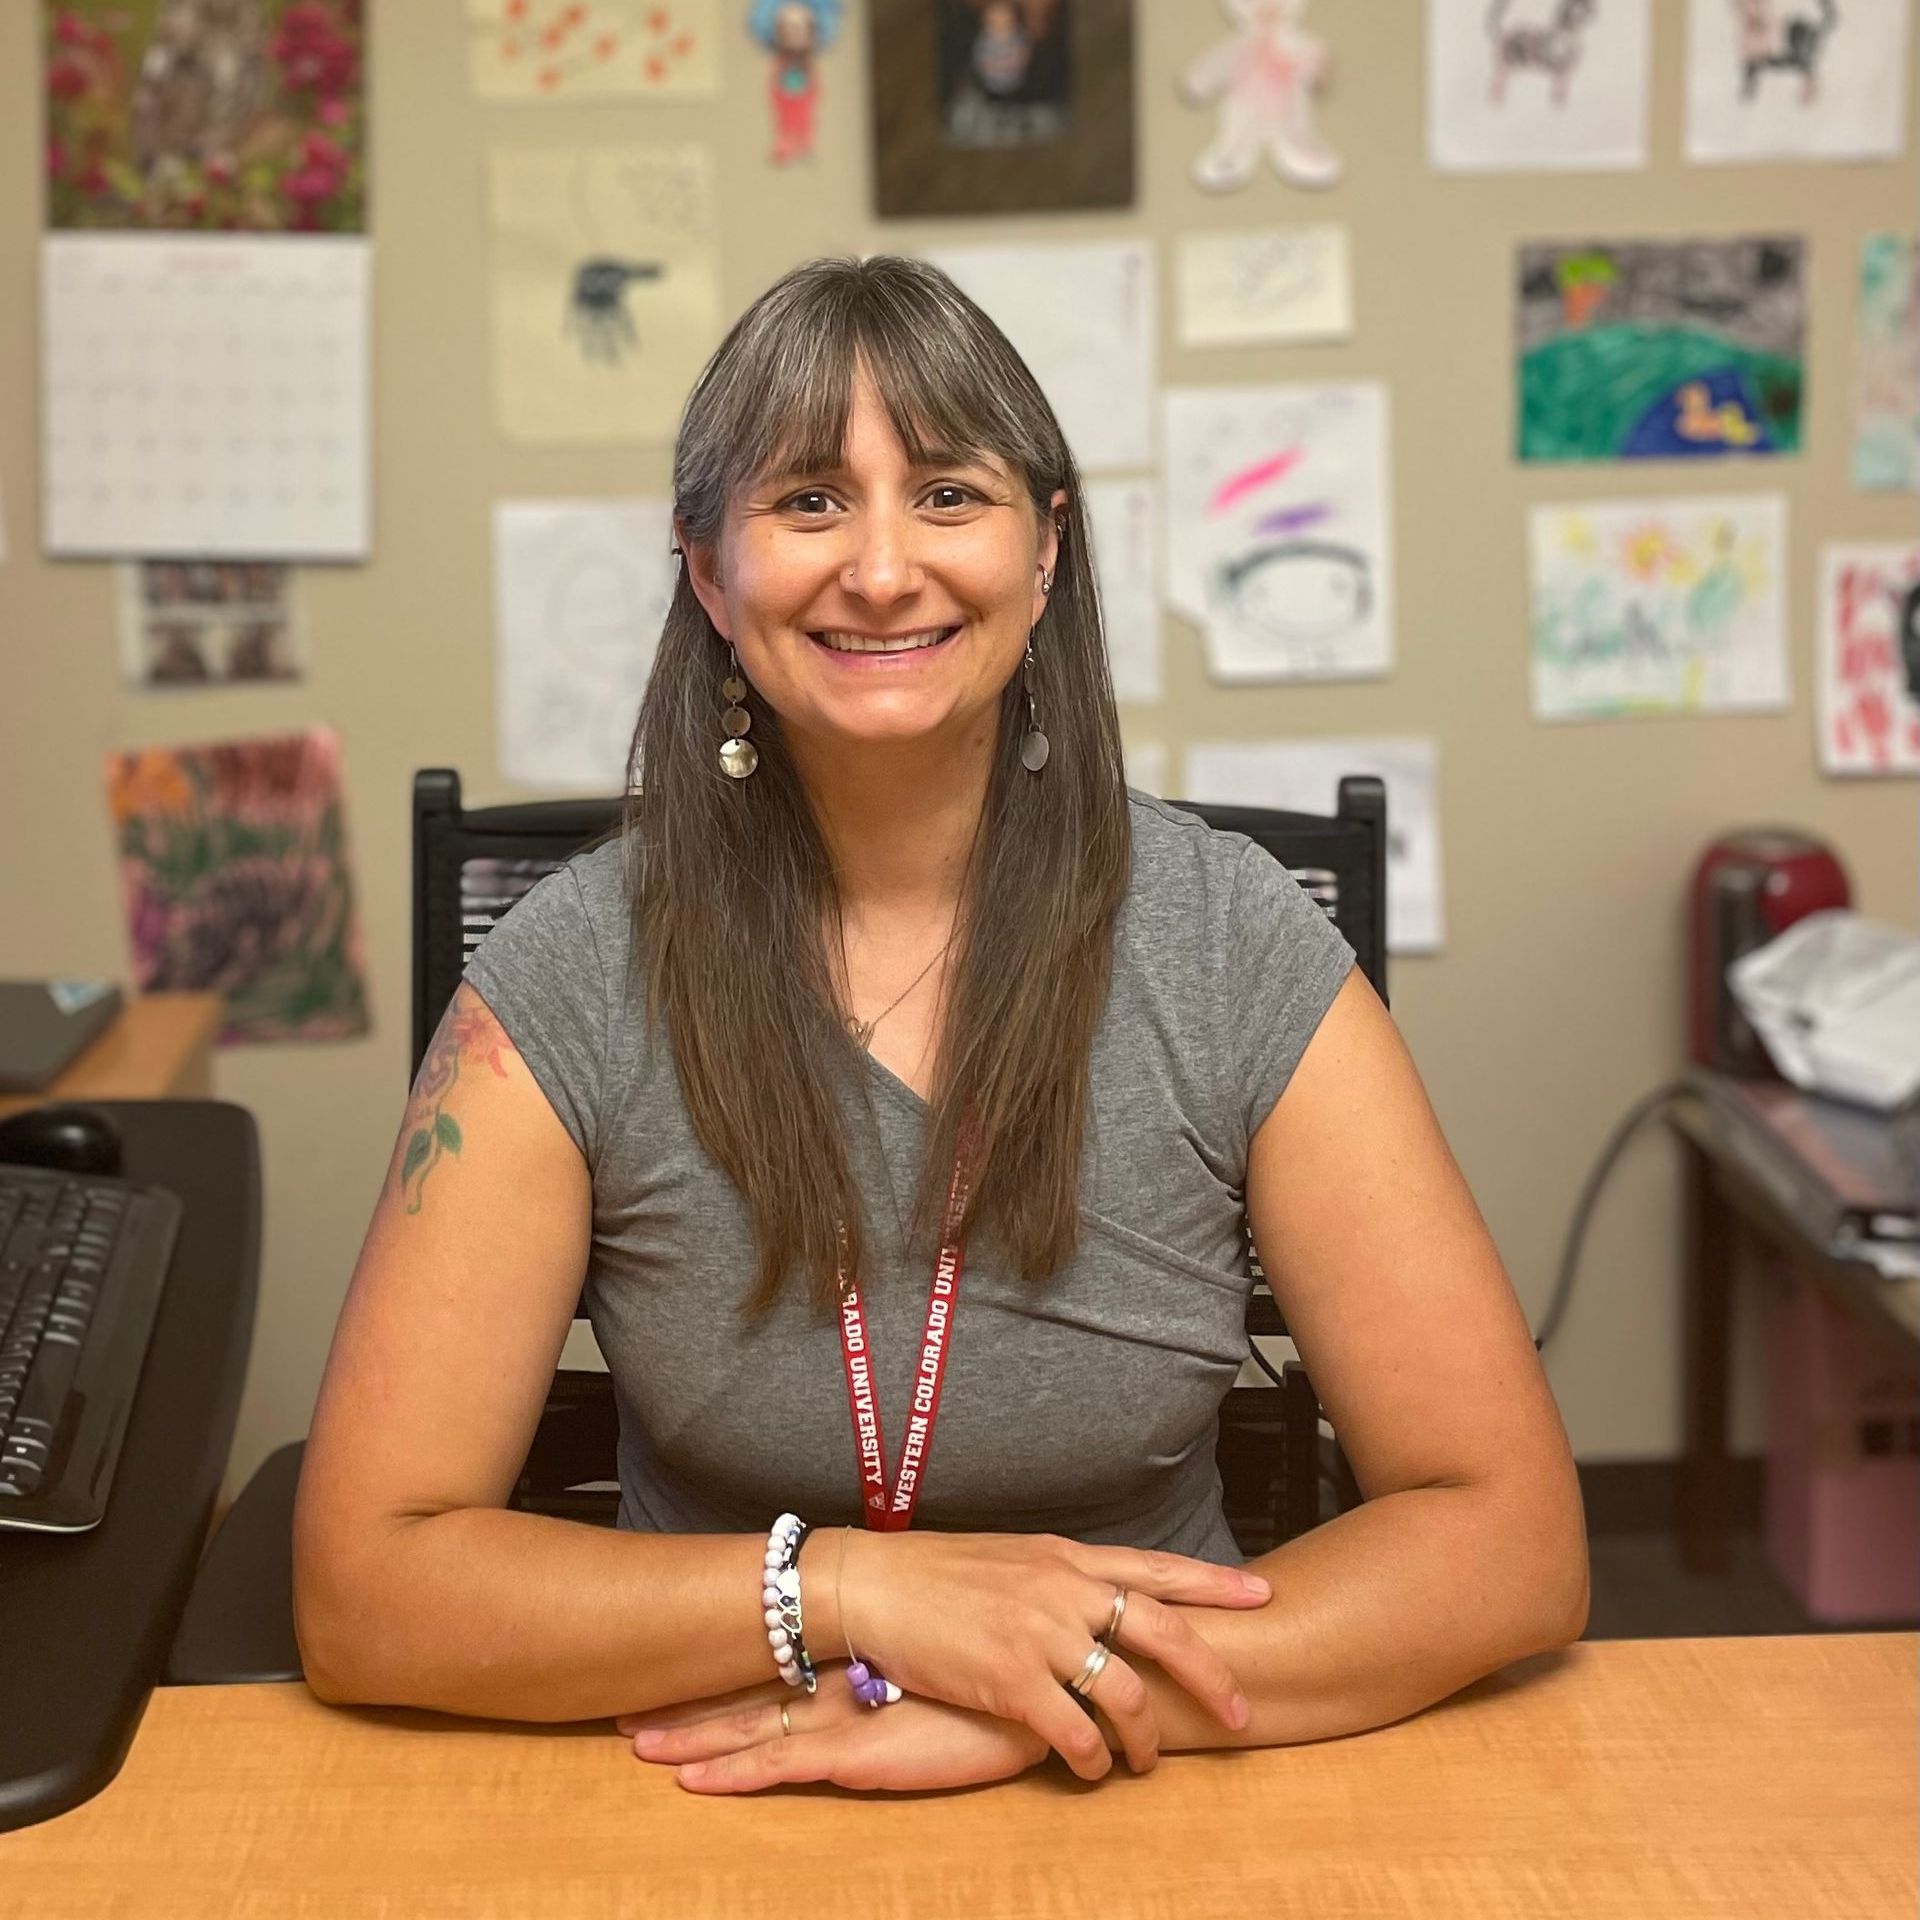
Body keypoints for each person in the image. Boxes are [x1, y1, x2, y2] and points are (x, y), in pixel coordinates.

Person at [292, 255, 1588, 1797]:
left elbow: (1511, 1542)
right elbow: (366, 1591)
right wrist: (845, 1593)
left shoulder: (1235, 943)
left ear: (1048, 556)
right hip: (693, 1779)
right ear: (709, 573)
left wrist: (1050, 1697)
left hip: (1152, 1786)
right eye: (811, 502)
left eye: (952, 495)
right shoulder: (567, 974)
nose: (886, 568)